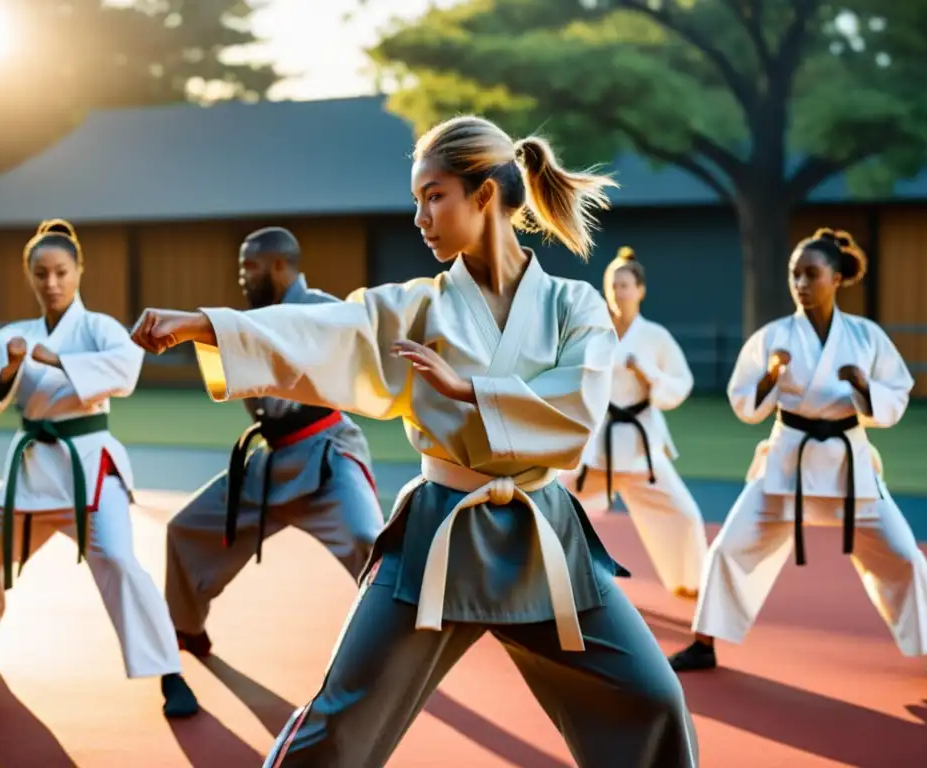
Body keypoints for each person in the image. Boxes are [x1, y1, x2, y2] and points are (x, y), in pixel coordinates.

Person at [130, 115, 699, 767]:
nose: (421, 217)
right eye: (416, 200)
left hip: (544, 536)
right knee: (341, 719)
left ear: (485, 195)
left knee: (654, 700)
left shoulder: (575, 304)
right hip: (439, 536)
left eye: (434, 196)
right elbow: (324, 331)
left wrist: (469, 392)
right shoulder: (416, 306)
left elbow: (577, 413)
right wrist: (206, 325)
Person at [0, 219, 200, 718]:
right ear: (29, 276)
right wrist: (13, 364)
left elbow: (124, 374)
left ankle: (170, 674)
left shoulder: (98, 328)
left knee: (120, 561)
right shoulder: (13, 335)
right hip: (31, 471)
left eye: (60, 272)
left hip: (88, 470)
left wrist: (56, 359)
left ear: (78, 272)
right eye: (41, 273)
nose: (51, 283)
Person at [668, 228, 927, 683]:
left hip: (847, 468)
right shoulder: (773, 337)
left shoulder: (864, 336)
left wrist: (861, 384)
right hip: (786, 466)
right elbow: (744, 404)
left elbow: (897, 396)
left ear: (836, 279)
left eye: (810, 274)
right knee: (727, 549)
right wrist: (771, 375)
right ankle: (703, 644)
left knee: (903, 555)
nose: (800, 283)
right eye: (794, 274)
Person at [165, 227, 384, 657]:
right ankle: (186, 627)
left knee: (369, 540)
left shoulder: (323, 310)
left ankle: (395, 642)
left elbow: (364, 345)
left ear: (280, 265)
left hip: (327, 454)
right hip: (270, 462)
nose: (242, 276)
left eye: (251, 265)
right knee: (184, 528)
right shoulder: (246, 321)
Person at [561, 247, 708, 598]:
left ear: (640, 290)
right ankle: (555, 580)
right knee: (554, 501)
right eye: (612, 284)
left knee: (685, 515)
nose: (618, 292)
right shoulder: (591, 334)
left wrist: (647, 372)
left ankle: (691, 582)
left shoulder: (655, 337)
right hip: (598, 447)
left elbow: (680, 384)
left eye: (625, 284)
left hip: (642, 449)